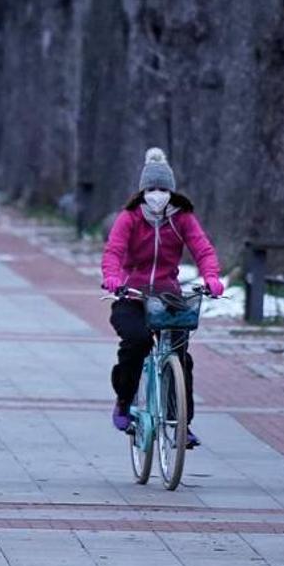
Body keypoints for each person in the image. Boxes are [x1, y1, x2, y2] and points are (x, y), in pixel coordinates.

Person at [100, 148, 223, 448]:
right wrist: (113, 279)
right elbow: (114, 251)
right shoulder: (129, 218)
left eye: (163, 189)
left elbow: (203, 249)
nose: (158, 195)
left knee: (180, 356)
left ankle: (181, 423)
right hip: (131, 295)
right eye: (152, 189)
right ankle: (124, 400)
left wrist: (212, 278)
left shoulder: (182, 219)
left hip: (168, 297)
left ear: (172, 191)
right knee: (137, 342)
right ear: (143, 191)